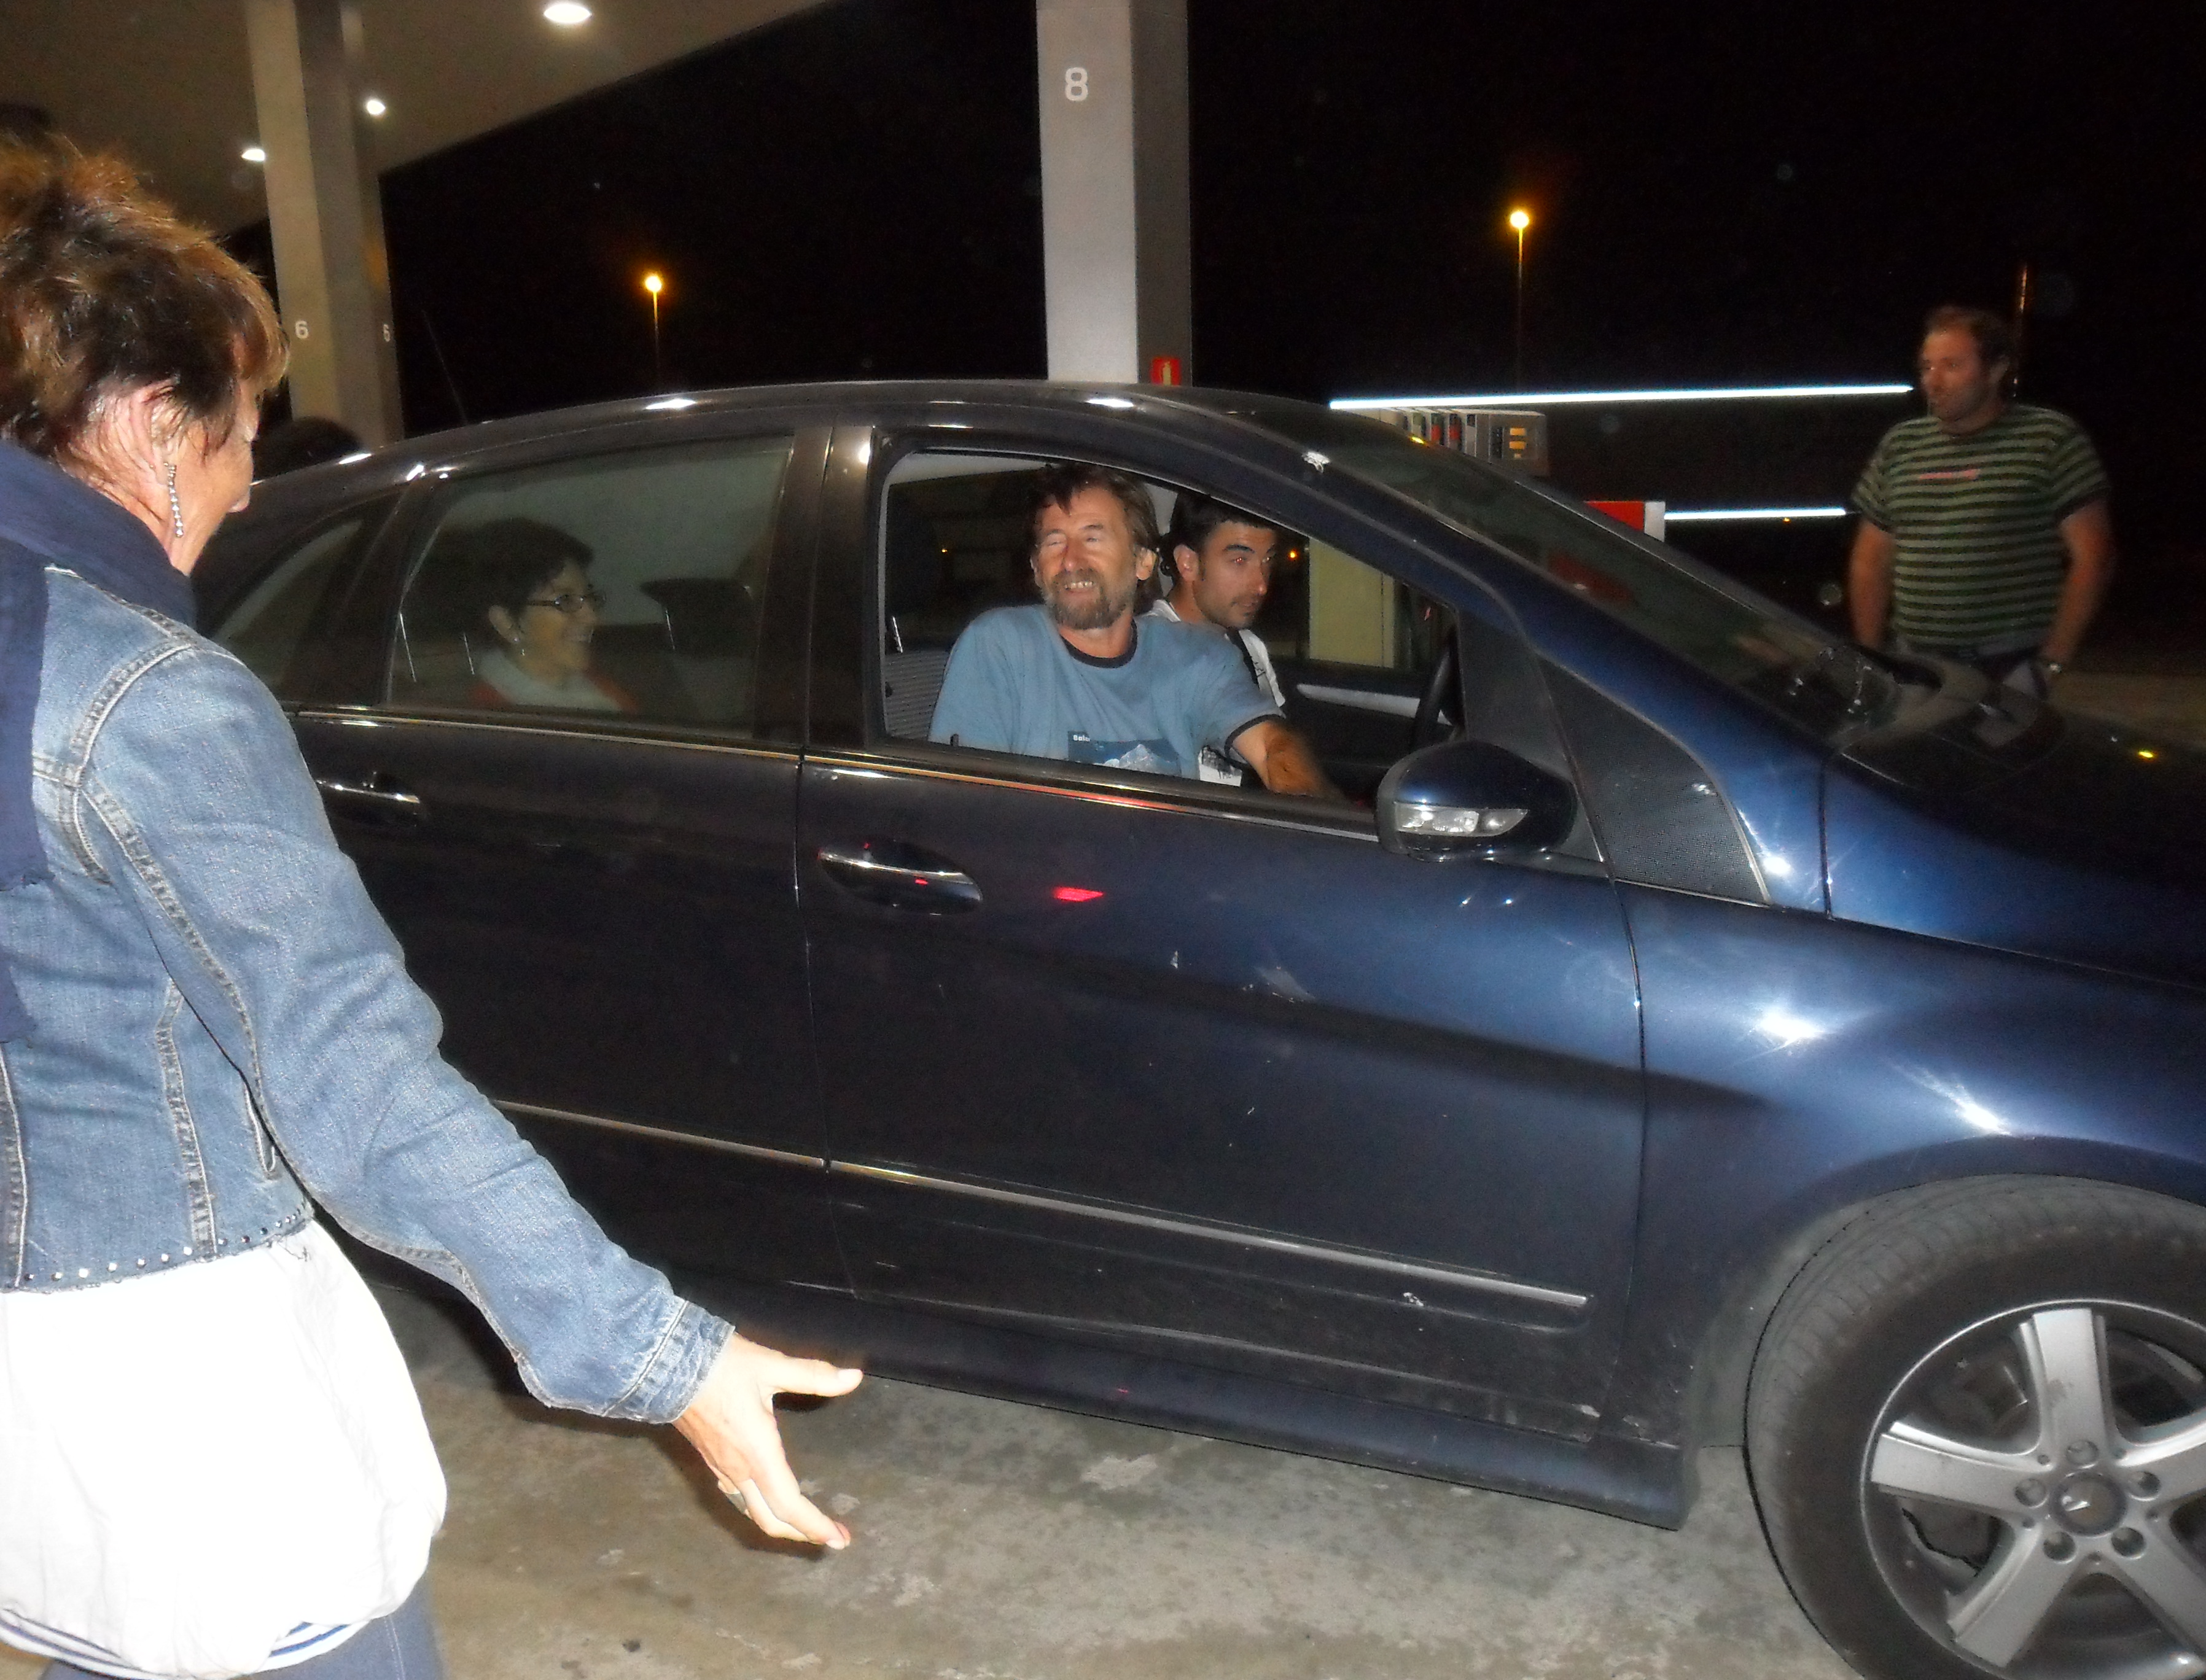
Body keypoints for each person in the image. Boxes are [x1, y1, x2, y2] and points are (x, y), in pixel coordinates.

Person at [0, 144, 857, 1680]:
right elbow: (362, 1084)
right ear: (146, 422)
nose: (248, 480)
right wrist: (671, 1357)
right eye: (239, 431)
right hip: (187, 1403)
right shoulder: (142, 697)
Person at [929, 463, 1337, 796]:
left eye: (1092, 538)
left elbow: (1272, 746)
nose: (1070, 561)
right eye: (1054, 543)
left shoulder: (1197, 655)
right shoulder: (1000, 646)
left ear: (1143, 562)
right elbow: (966, 805)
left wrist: (1315, 827)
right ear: (1037, 569)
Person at [1847, 304, 2114, 695]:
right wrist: (1872, 659)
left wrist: (2048, 665)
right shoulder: (1902, 444)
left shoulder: (2049, 439)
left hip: (2008, 665)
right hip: (1916, 665)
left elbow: (2094, 556)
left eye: (1952, 366)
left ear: (1996, 370)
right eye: (1926, 367)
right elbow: (1870, 560)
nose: (1934, 381)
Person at [421, 517, 637, 712]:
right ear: (507, 623)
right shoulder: (492, 716)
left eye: (589, 597)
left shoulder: (602, 690)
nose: (593, 618)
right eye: (564, 600)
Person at [1146, 491, 1287, 784]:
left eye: (1268, 560)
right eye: (1240, 560)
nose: (1261, 585)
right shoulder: (1146, 653)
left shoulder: (1251, 648)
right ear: (1188, 563)